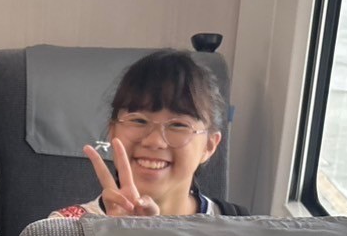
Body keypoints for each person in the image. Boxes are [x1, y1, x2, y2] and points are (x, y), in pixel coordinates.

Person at [49, 49, 226, 221]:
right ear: (112, 132)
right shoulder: (64, 229)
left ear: (209, 145)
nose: (154, 141)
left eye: (178, 125)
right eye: (139, 120)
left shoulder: (236, 228)